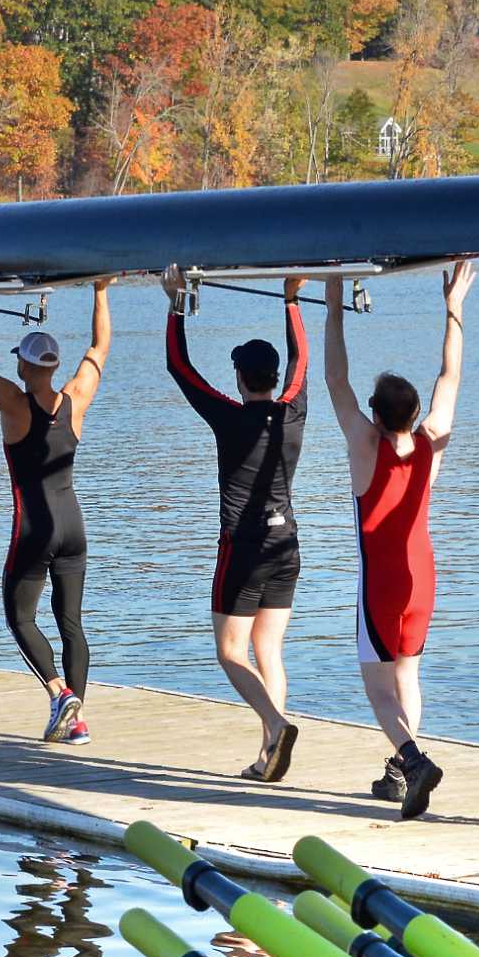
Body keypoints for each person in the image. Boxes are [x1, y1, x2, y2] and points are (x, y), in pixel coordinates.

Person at [323, 261, 472, 820]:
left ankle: (412, 760)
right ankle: (399, 772)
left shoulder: (367, 446)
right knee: (408, 672)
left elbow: (336, 380)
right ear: (412, 414)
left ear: (379, 416)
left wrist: (333, 298)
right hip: (424, 577)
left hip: (382, 582)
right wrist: (453, 306)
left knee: (376, 685)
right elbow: (450, 378)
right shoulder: (431, 442)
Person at [161, 267, 309, 782]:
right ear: (271, 378)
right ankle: (270, 755)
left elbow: (180, 367)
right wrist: (290, 303)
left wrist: (176, 304)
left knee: (230, 652)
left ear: (241, 379)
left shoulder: (229, 416)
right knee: (269, 649)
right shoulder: (293, 413)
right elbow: (302, 363)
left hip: (243, 547)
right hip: (287, 542)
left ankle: (275, 725)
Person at [0, 272, 111, 744]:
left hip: (34, 529)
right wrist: (100, 290)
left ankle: (59, 693)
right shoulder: (76, 399)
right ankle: (77, 722)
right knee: (72, 624)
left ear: (25, 368)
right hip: (74, 526)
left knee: (19, 616)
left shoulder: (14, 404)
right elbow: (100, 347)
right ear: (53, 365)